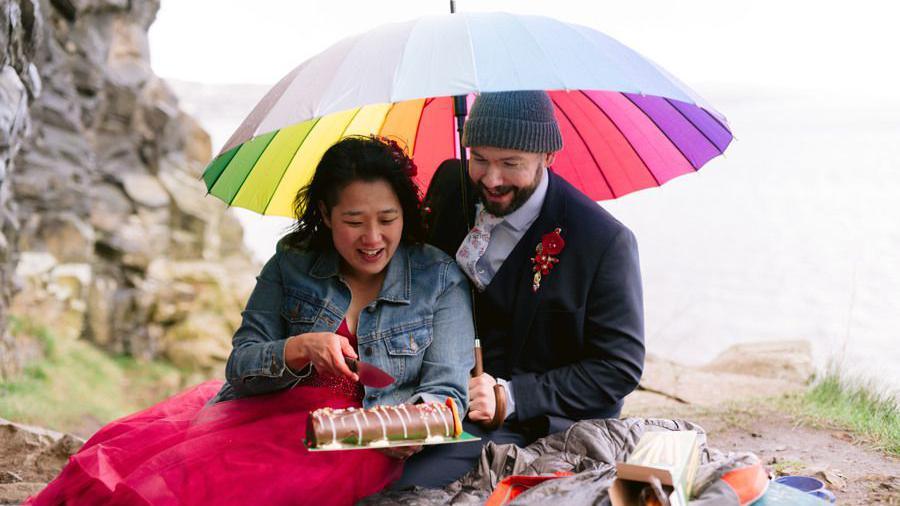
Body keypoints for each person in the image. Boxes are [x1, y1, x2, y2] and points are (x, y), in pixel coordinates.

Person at [26, 136, 475, 505]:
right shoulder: (292, 262)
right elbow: (241, 365)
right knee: (142, 483)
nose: (373, 238)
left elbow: (447, 391)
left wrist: (412, 426)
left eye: (387, 219)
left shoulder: (440, 279)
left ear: (405, 213)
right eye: (354, 221)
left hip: (358, 444)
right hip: (260, 418)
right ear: (324, 214)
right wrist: (299, 349)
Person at [395, 90, 645, 488]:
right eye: (479, 159)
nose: (491, 180)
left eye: (511, 163)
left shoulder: (604, 241)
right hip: (442, 400)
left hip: (540, 424)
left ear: (548, 157)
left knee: (410, 484)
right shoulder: (449, 185)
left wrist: (511, 397)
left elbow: (618, 367)